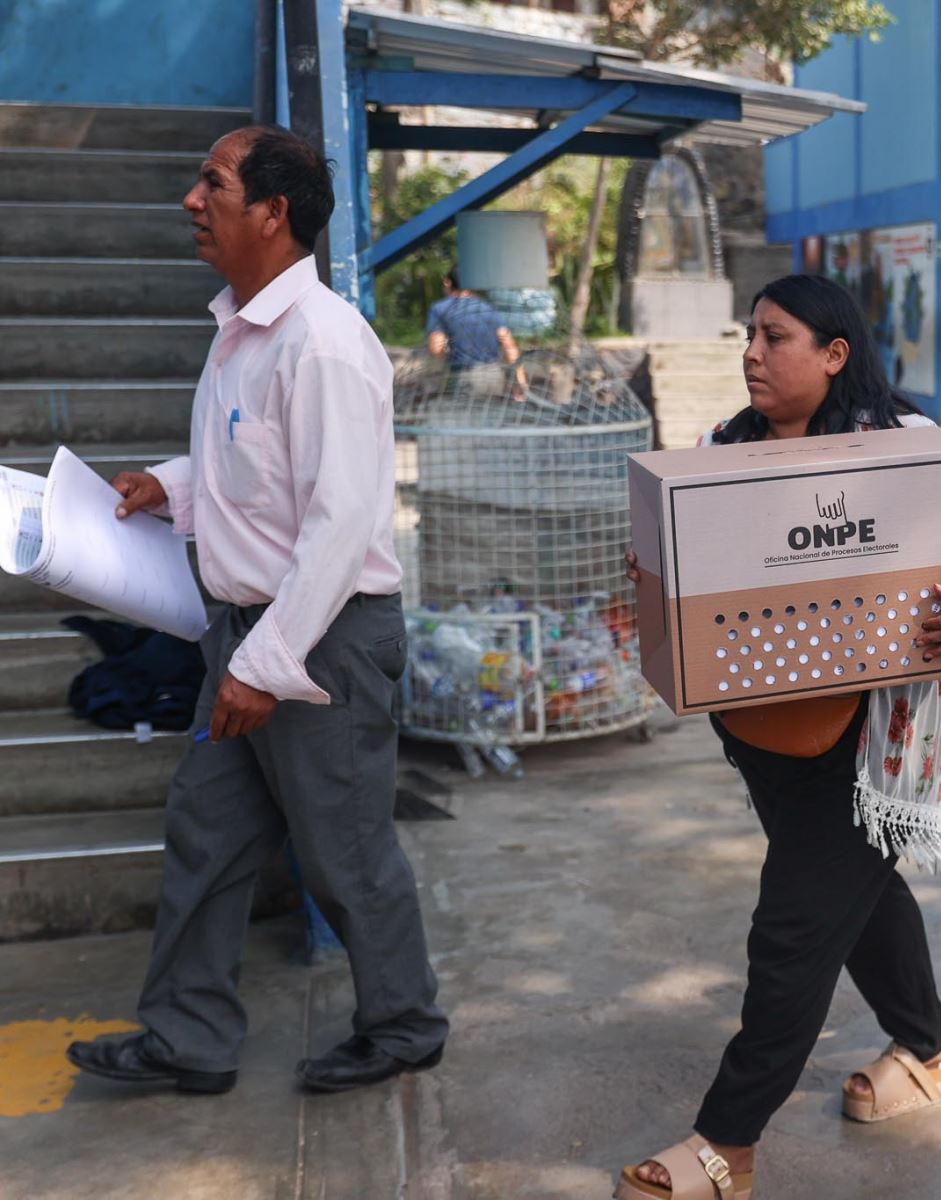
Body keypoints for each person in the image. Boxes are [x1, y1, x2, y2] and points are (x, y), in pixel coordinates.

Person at [616, 274, 941, 1200]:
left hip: (872, 741)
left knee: (794, 929)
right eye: (749, 338)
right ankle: (931, 1046)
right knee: (859, 897)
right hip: (761, 736)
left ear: (834, 354)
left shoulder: (908, 449)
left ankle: (729, 1142)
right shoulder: (722, 450)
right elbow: (668, 562)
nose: (752, 355)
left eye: (775, 337)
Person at [67, 125, 448, 1097]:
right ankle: (187, 1040)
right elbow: (256, 474)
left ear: (273, 214)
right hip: (246, 639)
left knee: (344, 850)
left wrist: (261, 665)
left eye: (215, 184)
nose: (193, 201)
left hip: (318, 643)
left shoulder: (321, 345)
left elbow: (336, 525)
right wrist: (167, 485)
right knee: (205, 833)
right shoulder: (241, 332)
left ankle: (404, 1025)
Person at [426, 267, 520, 370]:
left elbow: (436, 348)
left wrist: (447, 364)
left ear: (447, 282)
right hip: (493, 374)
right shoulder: (488, 307)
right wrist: (521, 381)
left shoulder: (440, 309)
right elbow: (509, 345)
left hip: (462, 375)